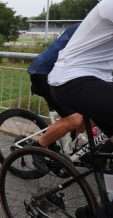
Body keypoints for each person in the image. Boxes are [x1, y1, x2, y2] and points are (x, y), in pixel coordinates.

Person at [49, 0, 113, 218]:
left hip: (93, 79)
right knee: (72, 121)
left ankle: (97, 208)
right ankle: (41, 147)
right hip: (70, 79)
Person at [26, 23, 87, 170]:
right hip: (44, 73)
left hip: (66, 73)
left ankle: (78, 147)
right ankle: (37, 148)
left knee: (93, 112)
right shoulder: (87, 29)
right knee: (74, 119)